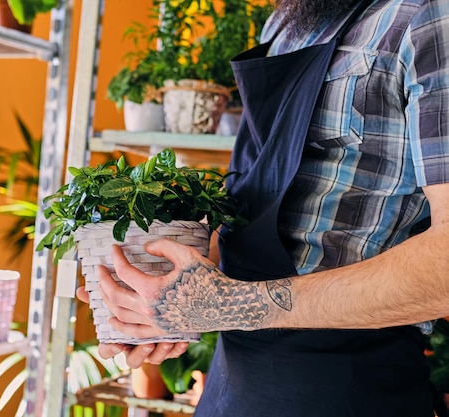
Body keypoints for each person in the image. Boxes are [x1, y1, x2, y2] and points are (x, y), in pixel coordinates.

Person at [77, 0, 449, 415]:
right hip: (232, 383)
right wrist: (163, 306)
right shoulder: (288, 24)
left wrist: (229, 305)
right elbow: (252, 206)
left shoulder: (429, 15)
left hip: (347, 385)